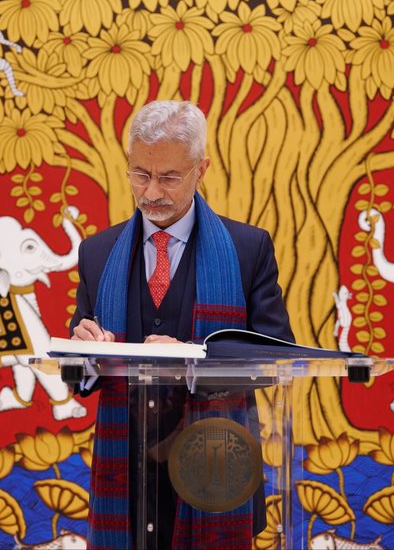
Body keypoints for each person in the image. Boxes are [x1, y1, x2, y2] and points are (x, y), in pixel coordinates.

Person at [70, 100, 293, 549]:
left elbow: (275, 357)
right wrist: (84, 353)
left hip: (217, 471)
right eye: (140, 174)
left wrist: (193, 356)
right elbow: (78, 376)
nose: (152, 191)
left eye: (169, 177)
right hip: (126, 478)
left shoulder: (249, 248)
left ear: (201, 168)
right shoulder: (97, 252)